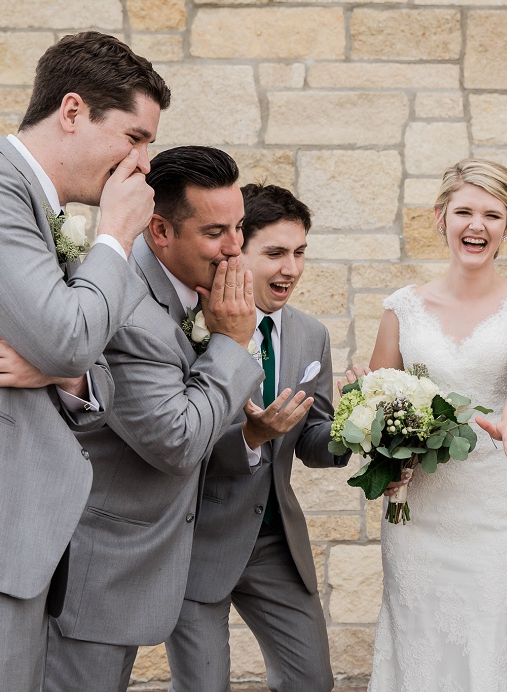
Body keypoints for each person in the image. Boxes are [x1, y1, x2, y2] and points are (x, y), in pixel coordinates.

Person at [0, 31, 169, 691]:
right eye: (134, 137)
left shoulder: (47, 213)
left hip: (24, 542)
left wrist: (61, 371)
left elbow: (92, 370)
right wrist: (116, 234)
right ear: (71, 111)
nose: (141, 164)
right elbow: (68, 335)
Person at [41, 145, 262, 692]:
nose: (236, 248)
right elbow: (177, 440)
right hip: (97, 571)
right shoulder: (129, 310)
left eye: (239, 228)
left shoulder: (187, 287)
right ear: (159, 231)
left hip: (146, 562)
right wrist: (232, 343)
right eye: (216, 233)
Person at [364, 159, 507, 690]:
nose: (477, 225)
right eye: (464, 211)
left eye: (492, 215)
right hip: (419, 510)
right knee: (422, 643)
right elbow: (380, 399)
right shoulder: (400, 309)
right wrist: (382, 449)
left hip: (496, 510)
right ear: (440, 217)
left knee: (493, 640)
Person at [165, 183, 348, 692]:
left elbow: (314, 441)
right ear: (236, 253)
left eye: (299, 252)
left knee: (312, 682)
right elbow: (172, 438)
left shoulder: (312, 334)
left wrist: (358, 425)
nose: (291, 268)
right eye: (275, 253)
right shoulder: (187, 327)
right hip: (198, 538)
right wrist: (249, 435)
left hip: (275, 542)